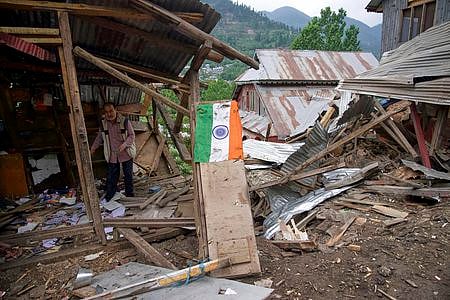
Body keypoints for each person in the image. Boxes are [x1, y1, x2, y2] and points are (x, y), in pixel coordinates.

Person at [90, 102, 135, 201]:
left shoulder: (125, 121)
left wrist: (125, 144)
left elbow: (131, 135)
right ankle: (110, 195)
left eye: (111, 111)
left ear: (116, 110)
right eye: (106, 112)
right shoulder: (104, 124)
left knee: (128, 175)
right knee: (112, 176)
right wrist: (93, 148)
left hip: (126, 152)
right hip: (112, 154)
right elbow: (99, 138)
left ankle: (130, 195)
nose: (109, 114)